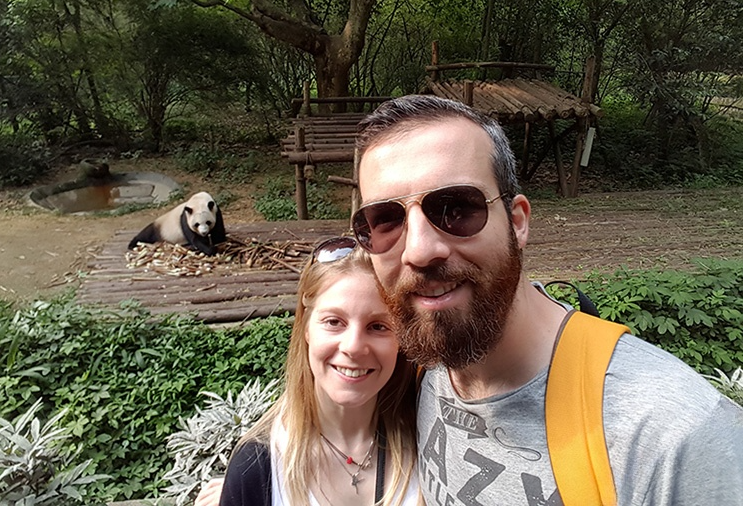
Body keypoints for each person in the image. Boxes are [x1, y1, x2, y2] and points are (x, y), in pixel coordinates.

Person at [350, 94, 743, 505]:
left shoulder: (673, 437)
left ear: (517, 222)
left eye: (456, 209)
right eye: (386, 221)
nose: (418, 250)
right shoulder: (419, 367)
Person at [214, 236, 420, 506]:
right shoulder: (258, 467)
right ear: (306, 327)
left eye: (379, 326)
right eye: (334, 321)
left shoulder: (428, 437)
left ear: (401, 340)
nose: (354, 347)